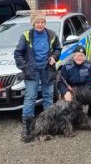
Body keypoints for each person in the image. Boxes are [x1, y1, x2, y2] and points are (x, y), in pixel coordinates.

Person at [14, 11, 61, 141]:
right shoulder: (26, 36)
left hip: (47, 71)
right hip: (32, 72)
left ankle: (48, 124)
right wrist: (25, 67)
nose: (40, 24)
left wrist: (54, 57)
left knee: (48, 97)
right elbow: (18, 54)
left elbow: (58, 49)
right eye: (38, 22)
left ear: (45, 23)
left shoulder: (51, 34)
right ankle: (27, 127)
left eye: (42, 22)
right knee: (30, 98)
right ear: (33, 23)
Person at [58, 45, 91, 120]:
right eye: (77, 55)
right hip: (70, 91)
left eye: (81, 55)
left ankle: (90, 117)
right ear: (73, 56)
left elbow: (89, 82)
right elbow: (60, 83)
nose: (79, 58)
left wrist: (83, 93)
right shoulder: (66, 66)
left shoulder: (89, 66)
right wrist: (65, 92)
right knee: (69, 115)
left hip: (82, 90)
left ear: (84, 57)